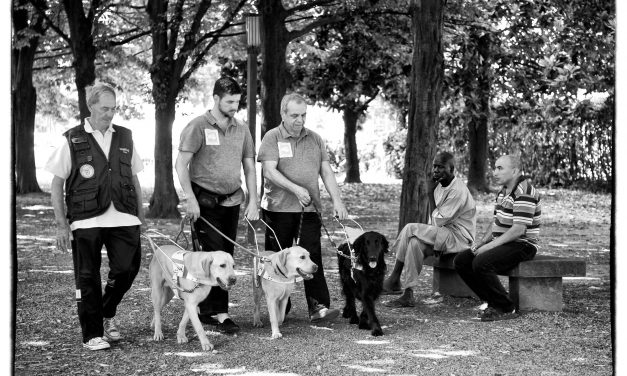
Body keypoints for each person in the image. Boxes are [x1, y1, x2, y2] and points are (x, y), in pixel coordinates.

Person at [46, 83, 145, 351]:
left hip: (124, 217)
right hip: (86, 218)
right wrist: (61, 225)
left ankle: (105, 310)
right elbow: (57, 184)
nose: (110, 114)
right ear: (91, 106)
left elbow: (134, 178)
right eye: (105, 109)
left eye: (113, 109)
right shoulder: (72, 138)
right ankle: (92, 334)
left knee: (127, 269)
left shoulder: (125, 137)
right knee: (87, 276)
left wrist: (141, 215)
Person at [175, 76, 258, 334]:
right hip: (204, 203)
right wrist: (190, 198)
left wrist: (254, 200)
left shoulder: (242, 128)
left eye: (238, 101)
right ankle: (219, 313)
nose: (235, 106)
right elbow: (181, 164)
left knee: (227, 257)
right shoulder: (197, 126)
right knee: (213, 256)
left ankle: (205, 308)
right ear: (216, 99)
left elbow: (249, 167)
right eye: (230, 101)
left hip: (232, 200)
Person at [257, 93, 348, 323]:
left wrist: (337, 200)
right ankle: (279, 308)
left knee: (311, 255)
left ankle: (318, 307)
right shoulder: (272, 137)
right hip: (278, 210)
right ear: (283, 114)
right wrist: (296, 189)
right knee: (278, 259)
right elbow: (269, 170)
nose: (300, 120)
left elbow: (326, 172)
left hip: (308, 210)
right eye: (295, 115)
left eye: (303, 115)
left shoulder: (315, 139)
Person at [382, 152, 476, 308]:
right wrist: (436, 240)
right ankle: (408, 293)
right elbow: (436, 221)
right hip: (444, 234)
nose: (436, 170)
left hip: (459, 238)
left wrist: (430, 193)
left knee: (410, 228)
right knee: (414, 243)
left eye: (441, 167)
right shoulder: (439, 185)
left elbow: (439, 219)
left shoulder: (457, 190)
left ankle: (394, 278)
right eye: (435, 166)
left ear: (452, 169)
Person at [454, 155, 541, 322]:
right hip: (504, 242)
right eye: (495, 168)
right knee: (462, 261)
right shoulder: (503, 191)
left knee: (481, 262)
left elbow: (518, 230)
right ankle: (494, 302)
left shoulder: (525, 192)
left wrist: (489, 247)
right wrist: (481, 243)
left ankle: (505, 307)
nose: (495, 172)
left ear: (514, 171)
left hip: (522, 245)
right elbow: (496, 222)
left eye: (500, 168)